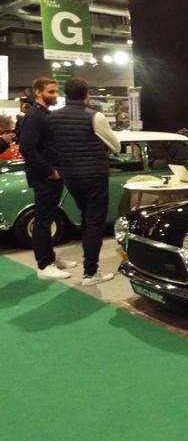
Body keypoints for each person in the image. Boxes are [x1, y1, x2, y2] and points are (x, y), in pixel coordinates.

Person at [49, 77, 121, 286]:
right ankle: (90, 272)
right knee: (95, 222)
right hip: (94, 175)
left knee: (86, 218)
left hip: (70, 176)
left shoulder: (54, 118)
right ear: (87, 94)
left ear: (66, 94)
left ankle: (89, 269)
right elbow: (115, 146)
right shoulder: (94, 116)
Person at [18, 77, 78, 280]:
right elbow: (26, 147)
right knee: (43, 222)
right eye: (50, 92)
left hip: (51, 175)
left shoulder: (43, 114)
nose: (54, 95)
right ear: (38, 92)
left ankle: (50, 258)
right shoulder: (35, 116)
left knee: (47, 218)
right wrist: (49, 171)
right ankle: (44, 265)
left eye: (55, 92)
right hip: (45, 177)